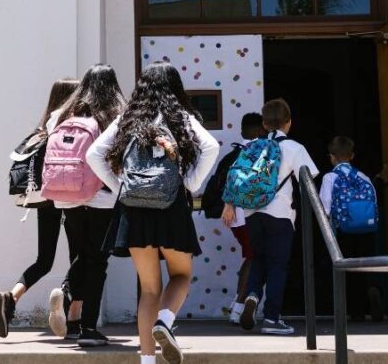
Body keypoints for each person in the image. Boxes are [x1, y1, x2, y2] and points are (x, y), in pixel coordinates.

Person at [87, 62, 220, 364]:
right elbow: (211, 146)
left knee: (148, 289)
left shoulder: (128, 118)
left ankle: (147, 360)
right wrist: (189, 183)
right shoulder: (182, 117)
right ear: (175, 87)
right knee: (181, 274)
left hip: (134, 208)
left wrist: (120, 185)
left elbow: (93, 154)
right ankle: (165, 321)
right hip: (171, 206)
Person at [0, 78, 79, 339]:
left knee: (44, 260)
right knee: (80, 256)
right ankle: (71, 313)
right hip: (72, 196)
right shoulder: (73, 125)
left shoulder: (43, 128)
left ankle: (11, 296)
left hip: (45, 197)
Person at [222, 98, 318, 335]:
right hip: (281, 214)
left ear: (264, 124)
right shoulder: (295, 148)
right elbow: (310, 178)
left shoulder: (253, 146)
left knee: (259, 259)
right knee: (278, 266)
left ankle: (253, 295)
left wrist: (230, 204)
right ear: (289, 123)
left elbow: (236, 176)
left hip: (253, 213)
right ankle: (272, 318)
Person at [46, 65, 126, 347]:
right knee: (97, 261)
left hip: (67, 196)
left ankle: (67, 295)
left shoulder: (62, 114)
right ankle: (88, 328)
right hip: (102, 197)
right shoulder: (115, 115)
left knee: (82, 254)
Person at [203, 112, 265, 324]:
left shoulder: (233, 155)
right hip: (248, 215)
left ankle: (237, 304)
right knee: (254, 258)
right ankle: (239, 307)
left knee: (250, 257)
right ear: (260, 131)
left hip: (234, 218)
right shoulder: (257, 153)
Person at [319, 135, 377, 320]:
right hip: (364, 230)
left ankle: (340, 309)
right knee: (360, 270)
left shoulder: (330, 177)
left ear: (332, 156)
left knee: (339, 269)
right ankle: (360, 309)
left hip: (341, 231)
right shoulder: (363, 177)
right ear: (352, 155)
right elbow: (373, 202)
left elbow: (324, 207)